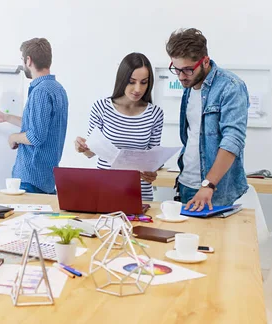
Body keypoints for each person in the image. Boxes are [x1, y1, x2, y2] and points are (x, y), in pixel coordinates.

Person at [165, 28, 249, 211]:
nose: (180, 76)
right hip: (186, 183)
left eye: (187, 70)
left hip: (214, 190)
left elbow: (233, 140)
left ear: (205, 62)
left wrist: (208, 185)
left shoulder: (231, 87)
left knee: (211, 240)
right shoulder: (189, 86)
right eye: (176, 69)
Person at [74, 53, 164, 201]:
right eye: (132, 81)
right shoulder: (101, 108)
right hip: (105, 191)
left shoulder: (155, 114)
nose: (137, 89)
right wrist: (81, 147)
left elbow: (152, 159)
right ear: (122, 79)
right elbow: (91, 153)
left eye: (144, 82)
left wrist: (152, 172)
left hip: (140, 195)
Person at [0, 38, 68, 194]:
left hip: (32, 178)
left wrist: (13, 137)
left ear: (28, 60)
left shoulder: (40, 92)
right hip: (46, 179)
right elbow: (40, 125)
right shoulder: (58, 89)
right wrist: (6, 117)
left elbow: (36, 136)